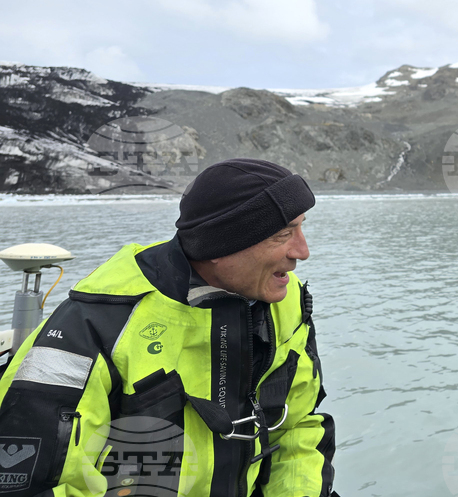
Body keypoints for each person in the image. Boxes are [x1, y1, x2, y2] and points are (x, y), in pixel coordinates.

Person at [0, 158, 337, 497]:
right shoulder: (94, 326)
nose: (302, 251)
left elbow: (298, 429)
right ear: (221, 246)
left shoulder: (286, 300)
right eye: (283, 234)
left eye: (301, 227)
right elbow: (35, 484)